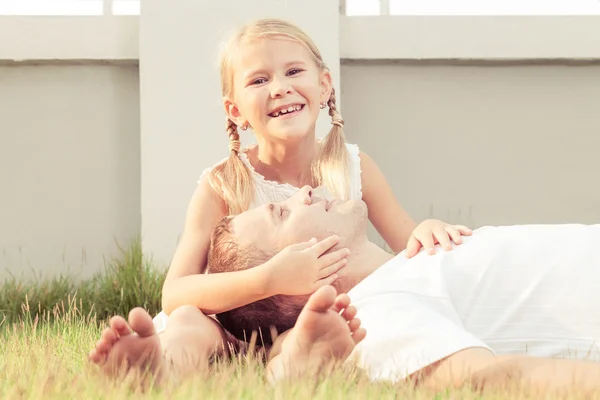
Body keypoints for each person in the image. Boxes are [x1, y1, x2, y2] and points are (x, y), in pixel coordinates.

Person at [89, 17, 469, 382]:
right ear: (235, 110)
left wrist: (425, 229)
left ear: (324, 87)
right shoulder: (223, 185)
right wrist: (270, 279)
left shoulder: (353, 167)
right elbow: (175, 293)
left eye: (293, 72)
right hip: (229, 331)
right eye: (259, 79)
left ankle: (300, 367)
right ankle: (160, 367)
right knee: (188, 322)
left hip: (312, 318)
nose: (280, 87)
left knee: (301, 336)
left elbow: (407, 250)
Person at [206, 186, 600, 395]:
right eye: (283, 213)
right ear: (294, 281)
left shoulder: (408, 260)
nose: (304, 191)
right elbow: (490, 380)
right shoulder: (371, 316)